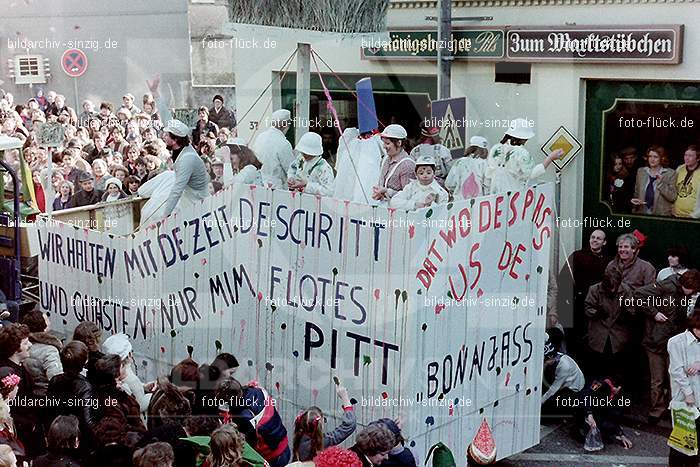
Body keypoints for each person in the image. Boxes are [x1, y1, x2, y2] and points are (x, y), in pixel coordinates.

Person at [635, 270, 700, 424]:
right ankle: (656, 410)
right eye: (692, 291)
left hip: (674, 340)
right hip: (656, 340)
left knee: (675, 377)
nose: (693, 294)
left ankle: (673, 408)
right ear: (686, 285)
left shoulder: (684, 295)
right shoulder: (667, 286)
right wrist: (654, 313)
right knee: (657, 379)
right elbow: (638, 294)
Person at [558, 229, 611, 357]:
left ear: (604, 242)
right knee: (575, 340)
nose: (595, 240)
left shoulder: (608, 261)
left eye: (599, 238)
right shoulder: (577, 256)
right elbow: (564, 279)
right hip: (577, 305)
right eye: (593, 237)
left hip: (597, 308)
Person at [215, 378, 290, 467]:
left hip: (272, 456)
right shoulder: (256, 391)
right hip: (283, 444)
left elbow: (247, 447)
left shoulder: (244, 417)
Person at [583, 268, 634, 384]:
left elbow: (631, 309)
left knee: (617, 369)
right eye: (609, 288)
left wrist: (626, 315)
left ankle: (615, 392)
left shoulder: (626, 290)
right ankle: (597, 391)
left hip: (618, 337)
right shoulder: (594, 289)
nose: (612, 290)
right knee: (597, 368)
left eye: (614, 287)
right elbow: (587, 308)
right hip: (598, 336)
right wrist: (596, 313)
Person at [485, 119, 563, 195]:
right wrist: (550, 158)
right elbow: (532, 174)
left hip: (495, 199)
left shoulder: (495, 149)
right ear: (523, 138)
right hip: (514, 198)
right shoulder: (521, 153)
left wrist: (487, 194)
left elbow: (488, 175)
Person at [0, 324, 41, 459]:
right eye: (25, 342)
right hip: (22, 434)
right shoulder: (7, 375)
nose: (30, 345)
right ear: (15, 349)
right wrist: (30, 424)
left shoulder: (19, 367)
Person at [47, 341, 96, 446]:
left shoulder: (55, 380)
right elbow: (86, 419)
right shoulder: (85, 387)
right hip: (75, 437)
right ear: (85, 361)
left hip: (57, 432)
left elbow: (48, 410)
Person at [157, 118, 210, 216]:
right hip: (190, 202)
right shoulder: (182, 150)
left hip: (198, 206)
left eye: (167, 135)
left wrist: (165, 215)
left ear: (175, 139)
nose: (163, 136)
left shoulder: (187, 159)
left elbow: (177, 189)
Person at [667, 311, 700, 466]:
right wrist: (688, 393)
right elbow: (676, 371)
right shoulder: (676, 342)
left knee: (696, 441)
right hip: (684, 399)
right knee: (681, 439)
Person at [292, 384, 356, 462]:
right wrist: (345, 398)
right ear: (320, 426)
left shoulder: (299, 437)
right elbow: (349, 425)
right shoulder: (321, 442)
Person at [576, 378, 632, 450]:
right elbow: (585, 395)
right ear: (618, 387)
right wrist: (589, 414)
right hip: (584, 408)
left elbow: (611, 417)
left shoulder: (613, 398)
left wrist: (621, 434)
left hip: (597, 413)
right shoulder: (600, 383)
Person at [102, 333, 152, 414]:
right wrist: (154, 395)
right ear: (129, 355)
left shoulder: (110, 374)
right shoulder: (130, 378)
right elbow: (140, 405)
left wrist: (144, 386)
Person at [19, 309, 62, 397]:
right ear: (44, 327)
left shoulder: (22, 345)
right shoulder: (50, 351)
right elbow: (56, 379)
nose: (49, 321)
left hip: (26, 395)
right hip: (44, 395)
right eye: (47, 319)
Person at [251, 109, 295, 189]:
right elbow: (291, 170)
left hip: (258, 183)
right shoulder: (283, 143)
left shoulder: (260, 137)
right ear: (285, 125)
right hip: (276, 187)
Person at [373, 124, 415, 204]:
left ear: (399, 143)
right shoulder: (386, 159)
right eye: (384, 143)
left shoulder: (407, 165)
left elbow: (408, 196)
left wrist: (387, 191)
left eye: (387, 143)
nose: (384, 147)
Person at [630, 145, 677, 215]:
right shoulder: (641, 171)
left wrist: (661, 184)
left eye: (655, 157)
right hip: (642, 213)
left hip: (660, 216)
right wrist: (634, 204)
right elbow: (637, 193)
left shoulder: (670, 173)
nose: (652, 159)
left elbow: (672, 197)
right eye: (650, 156)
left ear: (662, 158)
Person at [541, 335, 585, 409]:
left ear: (550, 357)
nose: (545, 363)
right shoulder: (557, 356)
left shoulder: (564, 367)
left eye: (545, 361)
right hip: (567, 381)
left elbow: (553, 389)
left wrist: (541, 401)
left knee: (550, 402)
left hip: (574, 389)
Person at [287, 132, 336, 196]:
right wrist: (291, 177)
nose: (305, 155)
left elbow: (328, 191)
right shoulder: (300, 158)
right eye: (303, 152)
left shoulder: (324, 168)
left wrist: (307, 184)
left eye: (308, 153)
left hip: (314, 202)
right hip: (297, 198)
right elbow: (292, 168)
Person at [445, 136, 489, 200]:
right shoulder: (485, 163)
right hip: (479, 202)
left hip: (460, 202)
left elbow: (449, 183)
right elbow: (487, 185)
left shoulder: (460, 162)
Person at [0, 367, 25, 464]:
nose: (18, 388)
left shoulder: (6, 406)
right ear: (10, 389)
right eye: (16, 386)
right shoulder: (2, 409)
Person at [673, 145, 700, 218]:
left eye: (690, 156)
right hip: (675, 214)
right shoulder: (679, 169)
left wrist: (694, 216)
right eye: (685, 155)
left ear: (698, 158)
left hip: (692, 217)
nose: (687, 158)